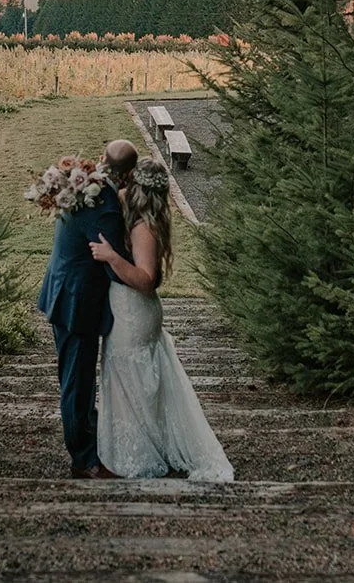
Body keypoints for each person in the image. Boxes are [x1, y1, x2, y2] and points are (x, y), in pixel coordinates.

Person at [89, 157, 234, 482]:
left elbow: (146, 278)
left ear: (139, 189)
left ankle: (139, 456)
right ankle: (139, 449)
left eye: (130, 184)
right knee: (137, 383)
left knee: (134, 385)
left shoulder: (144, 228)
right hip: (131, 312)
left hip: (134, 312)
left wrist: (111, 257)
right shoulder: (142, 216)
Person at [36, 138, 137, 479]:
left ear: (100, 160)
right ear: (127, 176)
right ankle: (83, 459)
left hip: (62, 288)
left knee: (75, 377)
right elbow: (114, 265)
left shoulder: (83, 184)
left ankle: (89, 439)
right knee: (77, 383)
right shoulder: (104, 204)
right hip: (77, 302)